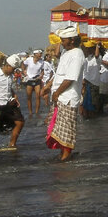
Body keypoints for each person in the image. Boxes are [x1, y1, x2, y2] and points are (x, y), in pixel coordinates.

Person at [46, 26, 85, 161]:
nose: (62, 42)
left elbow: (70, 78)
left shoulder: (77, 54)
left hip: (68, 97)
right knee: (58, 129)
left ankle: (66, 157)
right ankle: (63, 154)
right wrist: (49, 87)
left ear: (72, 40)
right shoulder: (65, 53)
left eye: (63, 40)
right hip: (60, 96)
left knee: (67, 129)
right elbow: (59, 75)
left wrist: (57, 92)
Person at [0, 54, 26, 151]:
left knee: (20, 122)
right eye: (12, 68)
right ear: (7, 66)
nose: (13, 71)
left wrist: (14, 95)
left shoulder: (11, 76)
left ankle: (12, 144)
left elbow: (9, 88)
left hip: (8, 103)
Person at [23, 49, 45, 116]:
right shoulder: (29, 60)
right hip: (29, 80)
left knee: (38, 96)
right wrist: (24, 71)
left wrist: (41, 75)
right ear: (35, 54)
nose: (41, 55)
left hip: (37, 80)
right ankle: (30, 112)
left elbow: (43, 70)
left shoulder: (42, 62)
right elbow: (23, 64)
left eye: (41, 53)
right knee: (29, 97)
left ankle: (37, 112)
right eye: (39, 53)